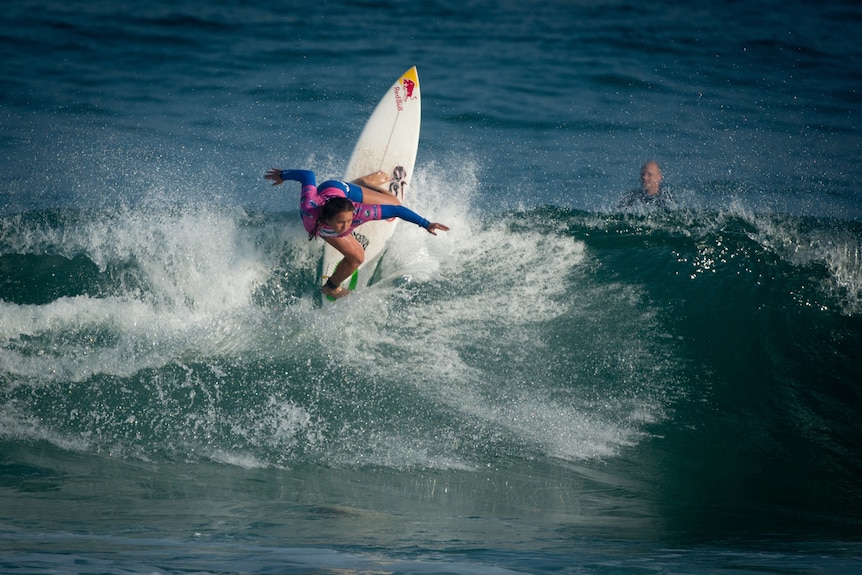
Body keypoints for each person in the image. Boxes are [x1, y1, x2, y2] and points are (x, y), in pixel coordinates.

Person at [265, 168, 449, 299]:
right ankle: (332, 288)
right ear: (327, 219)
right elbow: (307, 176)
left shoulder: (360, 213)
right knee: (356, 257)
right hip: (328, 192)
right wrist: (282, 175)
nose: (347, 226)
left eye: (349, 221)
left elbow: (396, 211)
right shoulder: (310, 207)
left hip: (342, 190)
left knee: (394, 202)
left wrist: (426, 224)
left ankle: (364, 184)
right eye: (341, 222)